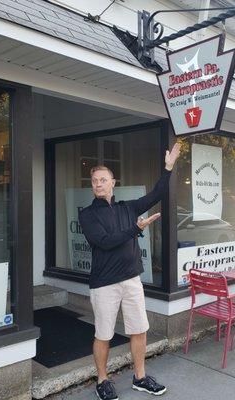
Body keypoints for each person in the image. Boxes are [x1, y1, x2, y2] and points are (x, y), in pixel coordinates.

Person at [79, 143, 181, 400]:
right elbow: (104, 241)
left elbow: (156, 194)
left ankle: (140, 377)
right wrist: (136, 229)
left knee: (139, 329)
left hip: (131, 279)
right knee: (103, 334)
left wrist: (168, 167)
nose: (98, 184)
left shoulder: (128, 207)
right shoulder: (88, 215)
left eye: (103, 179)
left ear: (113, 182)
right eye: (94, 181)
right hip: (104, 284)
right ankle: (102, 380)